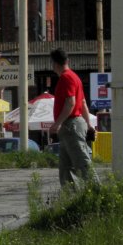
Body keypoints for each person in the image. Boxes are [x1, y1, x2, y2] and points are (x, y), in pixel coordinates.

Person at [48, 47, 98, 187]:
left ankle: (98, 192)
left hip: (71, 125)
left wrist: (57, 123)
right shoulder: (74, 77)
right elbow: (83, 103)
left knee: (82, 162)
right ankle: (71, 196)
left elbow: (71, 102)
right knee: (65, 169)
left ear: (54, 64)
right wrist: (88, 124)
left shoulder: (66, 78)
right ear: (67, 61)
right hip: (73, 125)